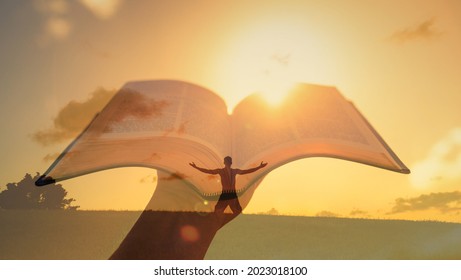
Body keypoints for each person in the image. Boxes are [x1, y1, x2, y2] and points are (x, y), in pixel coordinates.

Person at [190, 156, 267, 214]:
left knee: (236, 211)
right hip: (227, 194)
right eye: (228, 161)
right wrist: (196, 167)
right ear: (229, 162)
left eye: (228, 162)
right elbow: (208, 171)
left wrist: (259, 167)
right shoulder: (223, 171)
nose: (228, 163)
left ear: (226, 162)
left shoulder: (233, 171)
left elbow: (247, 171)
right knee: (219, 210)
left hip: (231, 194)